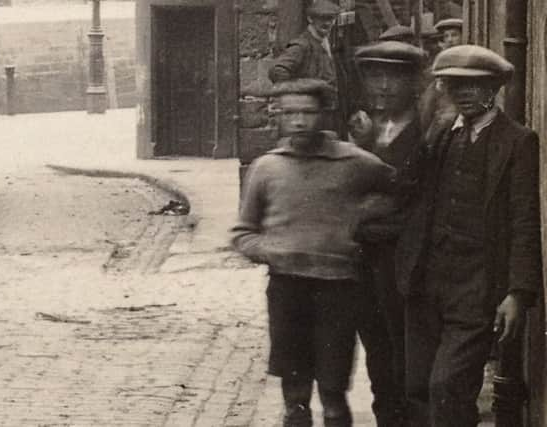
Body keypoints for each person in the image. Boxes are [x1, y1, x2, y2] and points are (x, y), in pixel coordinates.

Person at [232, 78, 397, 427]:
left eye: (308, 112)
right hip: (287, 290)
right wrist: (270, 250)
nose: (298, 122)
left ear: (324, 114)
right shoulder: (267, 168)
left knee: (334, 395)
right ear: (277, 117)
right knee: (295, 397)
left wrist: (363, 222)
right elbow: (243, 232)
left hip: (338, 291)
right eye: (290, 113)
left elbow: (400, 192)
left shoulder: (355, 162)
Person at [397, 45, 542, 427]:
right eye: (454, 85)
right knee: (417, 387)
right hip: (428, 283)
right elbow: (405, 186)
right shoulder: (441, 135)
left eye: (473, 86)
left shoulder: (517, 141)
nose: (463, 93)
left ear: (494, 87)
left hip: (476, 288)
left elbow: (524, 220)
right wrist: (428, 130)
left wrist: (517, 293)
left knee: (448, 385)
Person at [348, 40, 427, 426]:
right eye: (374, 76)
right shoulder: (358, 129)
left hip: (407, 261)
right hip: (364, 261)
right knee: (376, 350)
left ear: (413, 82)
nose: (382, 86)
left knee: (408, 354)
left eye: (393, 77)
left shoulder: (430, 133)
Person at [268, 0, 347, 135]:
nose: (327, 23)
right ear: (310, 19)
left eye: (331, 19)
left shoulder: (327, 43)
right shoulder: (302, 46)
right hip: (308, 117)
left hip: (328, 115)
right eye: (322, 18)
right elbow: (277, 71)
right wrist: (303, 91)